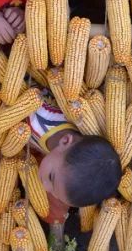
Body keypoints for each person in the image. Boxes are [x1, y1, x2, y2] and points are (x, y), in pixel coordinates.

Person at [30, 89, 122, 223]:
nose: (45, 187)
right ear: (65, 141)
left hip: (39, 149)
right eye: (50, 177)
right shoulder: (37, 118)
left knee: (55, 214)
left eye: (56, 194)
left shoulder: (66, 149)